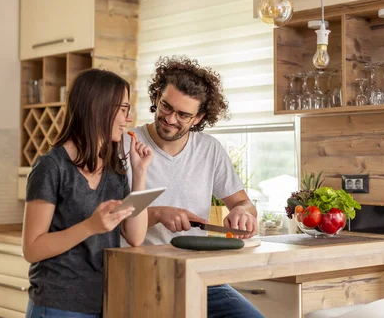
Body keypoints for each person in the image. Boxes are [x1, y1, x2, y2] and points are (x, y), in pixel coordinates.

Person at [123, 56, 264, 318]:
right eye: (166, 106)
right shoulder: (125, 144)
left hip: (198, 273)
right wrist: (156, 214)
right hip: (138, 273)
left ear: (198, 118)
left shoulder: (209, 149)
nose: (170, 118)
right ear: (156, 97)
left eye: (183, 115)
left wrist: (243, 213)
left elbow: (243, 203)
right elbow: (107, 218)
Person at [22, 69, 153, 318]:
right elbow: (32, 248)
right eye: (124, 109)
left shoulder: (115, 168)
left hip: (103, 302)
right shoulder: (51, 167)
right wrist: (91, 226)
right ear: (100, 108)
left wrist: (140, 173)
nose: (128, 117)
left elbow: (135, 236)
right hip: (58, 304)